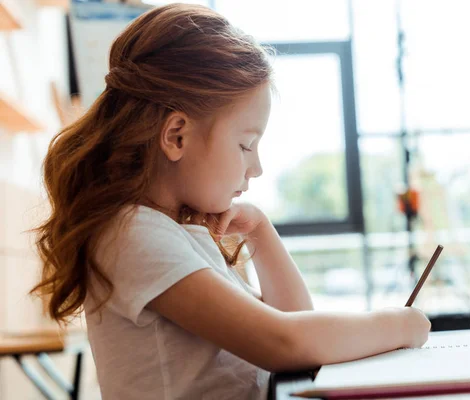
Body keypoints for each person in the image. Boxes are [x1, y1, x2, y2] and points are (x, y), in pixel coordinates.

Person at [31, 3, 430, 399]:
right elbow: (282, 343)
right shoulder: (134, 235)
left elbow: (294, 323)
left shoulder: (174, 233)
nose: (255, 167)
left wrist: (260, 231)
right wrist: (396, 326)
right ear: (176, 137)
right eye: (245, 145)